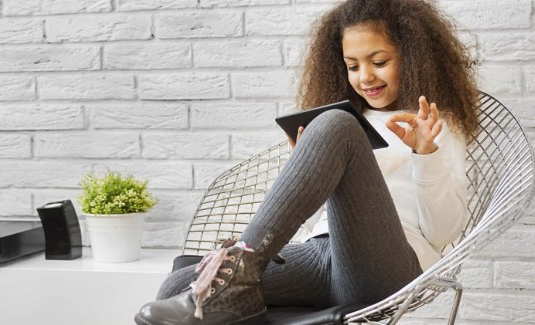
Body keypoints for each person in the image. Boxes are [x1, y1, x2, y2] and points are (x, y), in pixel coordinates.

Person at [135, 0, 480, 324]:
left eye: (379, 62)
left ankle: (241, 267)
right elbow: (316, 224)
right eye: (352, 66)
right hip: (318, 256)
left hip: (388, 269)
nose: (365, 77)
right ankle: (240, 282)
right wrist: (306, 164)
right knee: (179, 290)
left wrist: (425, 154)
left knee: (336, 123)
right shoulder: (351, 117)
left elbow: (444, 233)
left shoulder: (434, 124)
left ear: (413, 55)